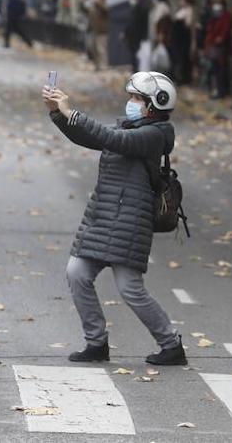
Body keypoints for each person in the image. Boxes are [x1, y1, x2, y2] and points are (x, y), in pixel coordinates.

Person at [42, 71, 186, 367]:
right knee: (77, 273)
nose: (130, 103)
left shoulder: (153, 135)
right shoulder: (131, 127)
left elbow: (109, 138)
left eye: (136, 98)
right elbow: (91, 137)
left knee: (130, 289)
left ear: (154, 104)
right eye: (131, 97)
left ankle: (171, 345)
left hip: (129, 221)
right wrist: (58, 114)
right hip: (104, 215)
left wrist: (73, 112)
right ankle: (96, 343)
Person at [201, 0, 232, 98]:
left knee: (220, 69)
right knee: (212, 69)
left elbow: (224, 32)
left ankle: (221, 90)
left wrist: (220, 38)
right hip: (211, 46)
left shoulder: (226, 16)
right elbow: (209, 30)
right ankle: (215, 89)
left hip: (220, 47)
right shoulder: (213, 18)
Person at [171, 0, 196, 85]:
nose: (180, 2)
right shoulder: (181, 10)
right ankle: (180, 77)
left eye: (182, 0)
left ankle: (185, 78)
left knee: (183, 57)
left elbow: (188, 24)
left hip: (183, 37)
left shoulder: (189, 10)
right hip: (178, 38)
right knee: (179, 57)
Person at [126, 0, 151, 72]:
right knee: (136, 55)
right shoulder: (137, 7)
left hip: (137, 36)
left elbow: (135, 23)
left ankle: (137, 70)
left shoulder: (140, 7)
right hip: (136, 36)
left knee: (138, 55)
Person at [87, 0, 109, 70]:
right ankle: (97, 66)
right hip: (94, 31)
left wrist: (98, 3)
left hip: (102, 32)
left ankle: (104, 66)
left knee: (102, 50)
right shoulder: (94, 7)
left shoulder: (103, 6)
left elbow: (105, 10)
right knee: (94, 50)